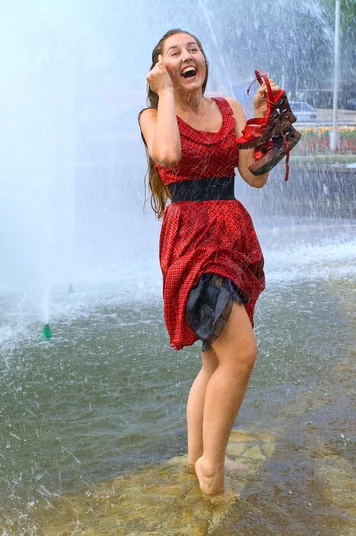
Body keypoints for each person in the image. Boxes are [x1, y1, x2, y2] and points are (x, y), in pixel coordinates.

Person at [138, 28, 281, 497]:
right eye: (174, 52)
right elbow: (168, 155)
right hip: (192, 244)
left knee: (213, 362)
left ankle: (196, 456)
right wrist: (163, 94)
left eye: (193, 48)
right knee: (241, 354)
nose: (187, 56)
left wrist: (265, 122)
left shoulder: (228, 109)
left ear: (203, 59)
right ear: (161, 67)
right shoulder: (153, 114)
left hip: (233, 238)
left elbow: (253, 177)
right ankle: (212, 470)